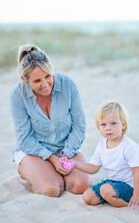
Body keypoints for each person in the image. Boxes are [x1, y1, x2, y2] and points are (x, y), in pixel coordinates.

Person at [10, 44, 90, 197]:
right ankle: (37, 171)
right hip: (33, 151)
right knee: (51, 189)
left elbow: (79, 126)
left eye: (48, 76)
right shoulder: (17, 95)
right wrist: (52, 159)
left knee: (82, 185)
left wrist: (65, 155)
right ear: (24, 80)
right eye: (37, 81)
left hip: (65, 148)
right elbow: (25, 138)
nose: (45, 85)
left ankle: (56, 175)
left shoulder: (68, 85)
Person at [73, 101, 139, 209]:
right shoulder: (102, 144)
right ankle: (111, 197)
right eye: (103, 124)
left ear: (123, 124)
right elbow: (93, 167)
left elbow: (137, 172)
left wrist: (136, 195)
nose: (108, 128)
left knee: (105, 190)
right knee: (88, 197)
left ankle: (127, 205)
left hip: (129, 186)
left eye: (113, 123)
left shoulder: (129, 146)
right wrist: (75, 164)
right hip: (111, 182)